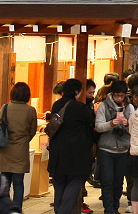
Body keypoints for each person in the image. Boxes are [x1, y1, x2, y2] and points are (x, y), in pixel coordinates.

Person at [48, 79, 93, 214]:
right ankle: (64, 211)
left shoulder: (56, 105)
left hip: (57, 151)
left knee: (59, 181)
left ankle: (58, 209)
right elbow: (90, 123)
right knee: (75, 180)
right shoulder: (79, 107)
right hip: (75, 152)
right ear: (76, 91)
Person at [0, 82, 37, 212]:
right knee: (18, 183)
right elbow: (32, 130)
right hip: (20, 150)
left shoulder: (5, 108)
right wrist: (23, 140)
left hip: (5, 150)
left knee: (5, 183)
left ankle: (5, 208)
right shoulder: (30, 110)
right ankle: (16, 210)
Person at [95, 80, 132, 214]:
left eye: (121, 96)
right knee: (107, 181)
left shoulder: (129, 108)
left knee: (118, 181)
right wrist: (111, 123)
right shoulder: (103, 107)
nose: (119, 99)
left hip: (123, 149)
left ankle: (115, 207)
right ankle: (108, 209)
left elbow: (135, 129)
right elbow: (98, 127)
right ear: (112, 94)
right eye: (117, 96)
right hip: (106, 148)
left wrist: (127, 124)